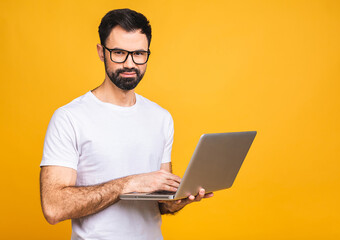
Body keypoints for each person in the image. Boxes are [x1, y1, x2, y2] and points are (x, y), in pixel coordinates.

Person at [39, 8, 213, 240]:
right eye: (119, 52)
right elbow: (54, 207)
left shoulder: (161, 117)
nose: (130, 63)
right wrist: (128, 184)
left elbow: (159, 203)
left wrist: (177, 200)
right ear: (102, 52)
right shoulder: (69, 118)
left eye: (139, 54)